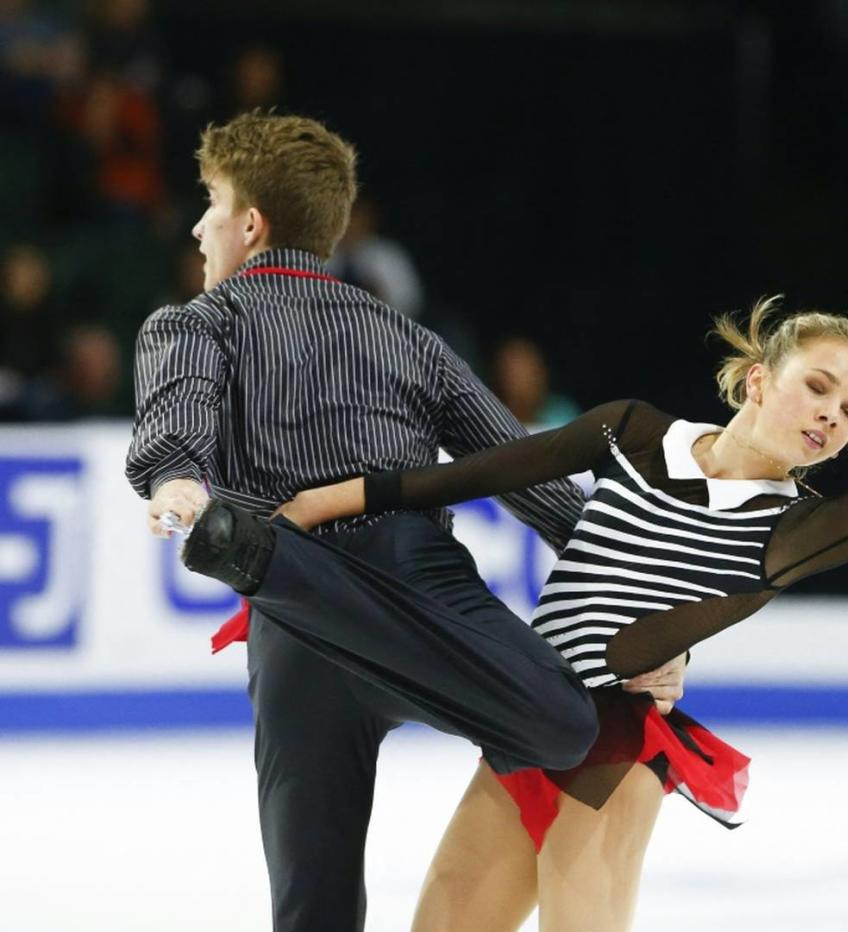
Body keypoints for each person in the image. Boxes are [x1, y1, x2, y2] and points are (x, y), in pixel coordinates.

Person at [188, 251, 848, 931]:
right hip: (525, 721)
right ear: (759, 381)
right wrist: (338, 499)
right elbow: (486, 470)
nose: (833, 414)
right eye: (819, 386)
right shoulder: (637, 433)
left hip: (615, 748)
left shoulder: (786, 532)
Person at [124, 109, 685, 932]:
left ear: (250, 223)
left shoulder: (196, 320)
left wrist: (178, 478)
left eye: (210, 202)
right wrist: (651, 608)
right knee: (564, 725)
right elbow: (531, 475)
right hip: (414, 599)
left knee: (313, 911)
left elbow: (177, 415)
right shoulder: (407, 337)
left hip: (300, 613)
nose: (201, 225)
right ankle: (269, 558)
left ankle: (263, 555)